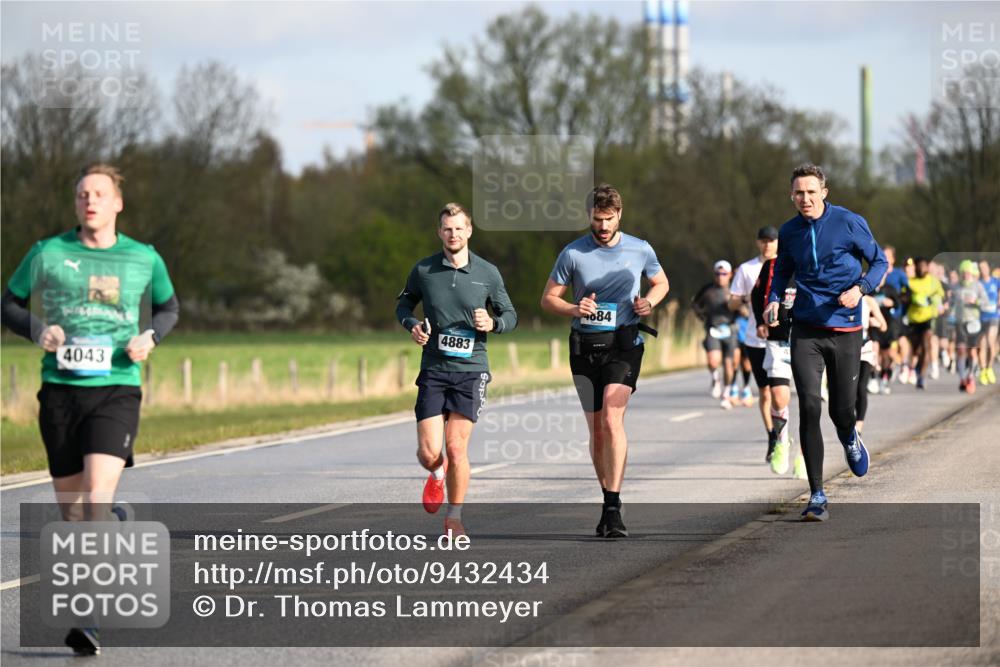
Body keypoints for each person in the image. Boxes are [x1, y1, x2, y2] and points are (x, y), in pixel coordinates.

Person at [0, 164, 180, 655]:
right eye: (82, 194)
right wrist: (39, 330)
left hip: (116, 389)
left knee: (96, 499)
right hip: (60, 393)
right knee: (75, 515)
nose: (90, 201)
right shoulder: (47, 252)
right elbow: (8, 304)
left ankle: (88, 617)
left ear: (117, 203)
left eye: (99, 193)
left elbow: (169, 308)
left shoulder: (143, 257)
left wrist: (150, 336)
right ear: (75, 204)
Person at [540, 184, 668, 538]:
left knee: (612, 418)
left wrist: (649, 302)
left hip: (624, 345)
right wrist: (574, 308)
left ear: (619, 215)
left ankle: (612, 508)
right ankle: (609, 496)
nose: (603, 226)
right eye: (597, 219)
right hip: (584, 348)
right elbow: (548, 299)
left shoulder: (640, 248)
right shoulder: (572, 253)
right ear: (589, 217)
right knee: (597, 429)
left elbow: (661, 282)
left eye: (609, 219)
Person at [764, 163, 888, 522]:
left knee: (841, 411)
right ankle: (817, 495)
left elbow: (879, 262)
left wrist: (860, 289)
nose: (805, 199)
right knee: (809, 405)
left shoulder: (848, 222)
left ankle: (849, 437)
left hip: (846, 329)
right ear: (791, 196)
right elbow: (781, 271)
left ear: (824, 193)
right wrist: (774, 299)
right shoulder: (789, 231)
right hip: (806, 328)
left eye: (811, 192)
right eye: (798, 193)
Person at [395, 202, 518, 538]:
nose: (453, 234)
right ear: (439, 232)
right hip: (434, 369)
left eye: (459, 228)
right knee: (429, 452)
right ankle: (437, 474)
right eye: (447, 229)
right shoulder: (424, 270)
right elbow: (404, 305)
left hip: (471, 370)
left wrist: (492, 323)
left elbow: (510, 315)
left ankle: (454, 517)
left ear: (469, 231)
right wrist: (412, 325)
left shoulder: (487, 273)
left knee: (456, 447)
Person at [749, 255, 806, 479]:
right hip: (778, 341)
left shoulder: (817, 260)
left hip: (809, 341)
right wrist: (760, 321)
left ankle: (804, 454)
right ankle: (782, 441)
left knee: (809, 402)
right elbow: (756, 295)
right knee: (779, 397)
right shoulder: (773, 265)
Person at [730, 226, 780, 460]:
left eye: (771, 241)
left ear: (777, 243)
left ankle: (783, 431)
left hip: (781, 338)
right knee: (765, 392)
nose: (767, 245)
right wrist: (747, 298)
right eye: (763, 241)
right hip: (755, 337)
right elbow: (731, 302)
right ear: (758, 243)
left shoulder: (785, 266)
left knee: (779, 391)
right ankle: (772, 435)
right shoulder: (747, 269)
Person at [691, 260, 738, 408]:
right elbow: (695, 304)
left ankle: (726, 393)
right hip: (713, 329)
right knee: (713, 361)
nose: (720, 277)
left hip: (730, 330)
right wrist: (702, 316)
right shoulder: (707, 289)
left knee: (730, 365)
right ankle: (715, 378)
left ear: (730, 275)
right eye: (718, 274)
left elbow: (745, 308)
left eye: (724, 274)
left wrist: (739, 309)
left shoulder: (735, 289)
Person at [905, 257, 944, 390]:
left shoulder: (933, 281)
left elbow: (940, 295)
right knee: (917, 349)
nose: (922, 269)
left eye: (924, 266)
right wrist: (911, 298)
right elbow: (904, 297)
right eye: (919, 266)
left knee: (926, 346)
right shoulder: (910, 282)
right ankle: (917, 367)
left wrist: (937, 303)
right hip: (914, 319)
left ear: (927, 267)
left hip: (928, 318)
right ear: (916, 267)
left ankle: (921, 376)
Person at [954, 260, 989, 393]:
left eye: (968, 273)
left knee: (972, 351)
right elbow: (950, 302)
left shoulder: (977, 286)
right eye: (963, 273)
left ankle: (971, 376)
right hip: (960, 322)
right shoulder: (956, 286)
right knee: (961, 350)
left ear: (972, 274)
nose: (965, 275)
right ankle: (962, 378)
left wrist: (976, 301)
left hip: (973, 322)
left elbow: (986, 302)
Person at [856, 293, 888, 433]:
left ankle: (859, 426)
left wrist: (876, 323)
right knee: (849, 389)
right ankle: (849, 422)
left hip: (865, 348)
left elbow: (884, 326)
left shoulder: (868, 301)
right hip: (847, 348)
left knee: (861, 387)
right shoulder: (843, 297)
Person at [978, 260, 999, 385]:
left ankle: (989, 368)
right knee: (982, 344)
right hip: (981, 317)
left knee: (991, 341)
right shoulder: (978, 283)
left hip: (994, 316)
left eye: (985, 268)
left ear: (989, 268)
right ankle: (983, 370)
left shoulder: (996, 282)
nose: (983, 270)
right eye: (981, 268)